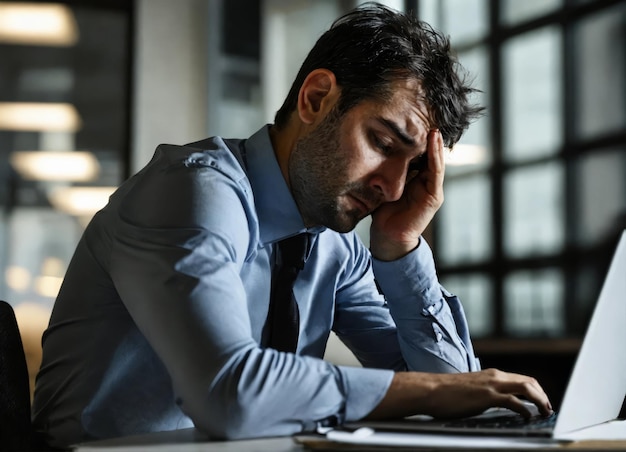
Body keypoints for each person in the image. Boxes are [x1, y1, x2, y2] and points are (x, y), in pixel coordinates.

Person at [32, 3, 552, 449]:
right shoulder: (192, 193)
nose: (393, 188)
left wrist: (400, 246)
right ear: (316, 98)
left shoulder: (333, 246)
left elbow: (458, 395)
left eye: (414, 169)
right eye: (384, 144)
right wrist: (432, 394)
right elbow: (228, 394)